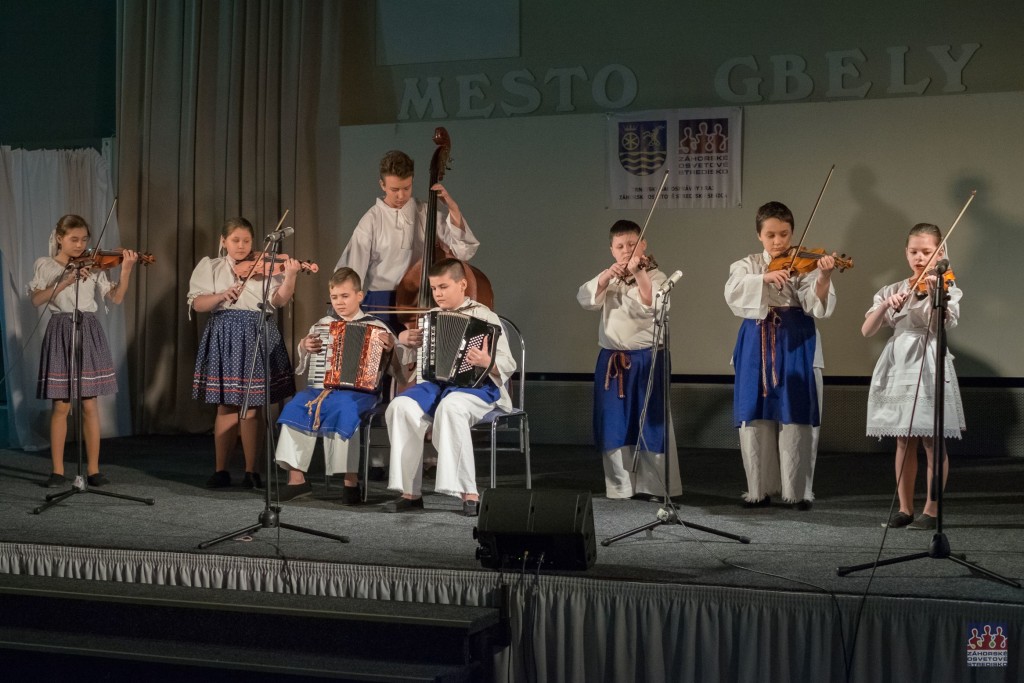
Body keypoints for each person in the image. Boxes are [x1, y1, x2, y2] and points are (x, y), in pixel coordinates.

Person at [724, 201, 836, 510]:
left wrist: (824, 277)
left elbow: (816, 305)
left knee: (796, 417)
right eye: (771, 235)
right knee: (755, 416)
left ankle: (798, 491)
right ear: (759, 234)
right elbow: (732, 291)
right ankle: (758, 490)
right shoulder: (746, 264)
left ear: (792, 233)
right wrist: (763, 279)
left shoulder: (805, 263)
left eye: (784, 234)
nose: (778, 242)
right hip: (755, 342)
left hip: (795, 341)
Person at [383, 258, 515, 517]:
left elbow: (507, 363)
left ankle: (469, 492)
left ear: (462, 284)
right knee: (400, 406)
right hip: (435, 385)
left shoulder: (485, 316)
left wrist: (488, 363)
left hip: (476, 387)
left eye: (443, 287)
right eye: (433, 288)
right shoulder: (429, 317)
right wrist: (403, 342)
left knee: (451, 407)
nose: (438, 294)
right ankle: (410, 492)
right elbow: (413, 364)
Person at [273, 267, 413, 503]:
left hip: (361, 392)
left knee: (345, 408)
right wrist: (305, 346)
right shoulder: (323, 324)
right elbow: (306, 356)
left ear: (359, 296)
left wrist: (391, 348)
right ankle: (297, 480)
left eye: (345, 296)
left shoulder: (377, 327)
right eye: (335, 297)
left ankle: (350, 482)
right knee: (295, 406)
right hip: (323, 387)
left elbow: (398, 368)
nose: (339, 302)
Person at [862, 223, 965, 530]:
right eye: (913, 251)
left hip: (930, 358)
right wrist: (884, 306)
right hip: (897, 362)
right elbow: (867, 330)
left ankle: (932, 510)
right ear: (905, 252)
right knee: (903, 440)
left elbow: (939, 326)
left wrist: (936, 293)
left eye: (927, 251)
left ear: (940, 252)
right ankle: (905, 509)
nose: (919, 258)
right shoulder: (893, 289)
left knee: (932, 440)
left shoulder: (948, 287)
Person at [188, 217, 300, 489]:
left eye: (246, 241)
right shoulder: (211, 267)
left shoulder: (266, 265)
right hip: (224, 334)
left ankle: (252, 471)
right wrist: (222, 295)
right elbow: (198, 303)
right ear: (223, 241)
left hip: (257, 332)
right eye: (235, 240)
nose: (241, 246)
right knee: (226, 405)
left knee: (252, 408)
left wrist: (291, 275)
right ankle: (221, 470)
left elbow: (278, 300)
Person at [29, 214, 139, 487]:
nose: (80, 245)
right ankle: (56, 470)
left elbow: (115, 297)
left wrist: (124, 272)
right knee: (61, 405)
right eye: (73, 239)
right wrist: (65, 280)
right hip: (60, 330)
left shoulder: (95, 267)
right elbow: (36, 299)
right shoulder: (46, 265)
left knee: (90, 404)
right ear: (59, 238)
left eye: (84, 240)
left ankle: (93, 469)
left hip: (88, 329)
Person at [576, 220, 682, 501]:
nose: (626, 251)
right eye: (620, 246)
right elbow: (586, 300)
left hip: (648, 358)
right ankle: (620, 486)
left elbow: (653, 304)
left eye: (632, 245)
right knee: (614, 422)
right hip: (613, 359)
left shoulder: (657, 275)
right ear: (612, 249)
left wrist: (640, 273)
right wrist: (604, 277)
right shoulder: (610, 276)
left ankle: (655, 486)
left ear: (643, 244)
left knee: (650, 421)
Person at [335, 149, 479, 333]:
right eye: (394, 189)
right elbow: (350, 271)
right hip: (381, 305)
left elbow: (463, 251)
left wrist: (453, 209)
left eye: (406, 188)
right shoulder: (371, 219)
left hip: (419, 301)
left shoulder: (425, 212)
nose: (401, 196)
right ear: (382, 185)